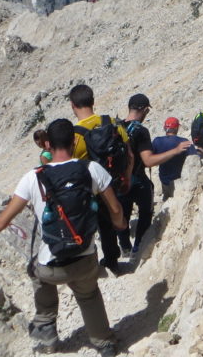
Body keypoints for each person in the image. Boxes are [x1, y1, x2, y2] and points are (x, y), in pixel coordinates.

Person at [0, 118, 125, 356]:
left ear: (47, 144)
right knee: (89, 294)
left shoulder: (32, 178)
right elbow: (116, 209)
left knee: (35, 270)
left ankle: (46, 330)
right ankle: (104, 342)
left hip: (51, 267)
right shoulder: (91, 169)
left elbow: (1, 222)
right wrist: (120, 226)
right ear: (74, 140)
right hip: (85, 260)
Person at [69, 84, 132, 274]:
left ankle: (93, 263)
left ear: (72, 106)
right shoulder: (111, 122)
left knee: (90, 226)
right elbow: (129, 154)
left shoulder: (73, 135)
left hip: (90, 190)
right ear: (93, 102)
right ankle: (115, 257)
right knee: (111, 220)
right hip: (113, 181)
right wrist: (126, 178)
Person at [152, 117, 199, 199]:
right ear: (177, 128)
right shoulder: (184, 142)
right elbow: (195, 158)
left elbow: (150, 157)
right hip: (179, 180)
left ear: (164, 128)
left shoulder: (157, 141)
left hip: (164, 179)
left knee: (166, 197)